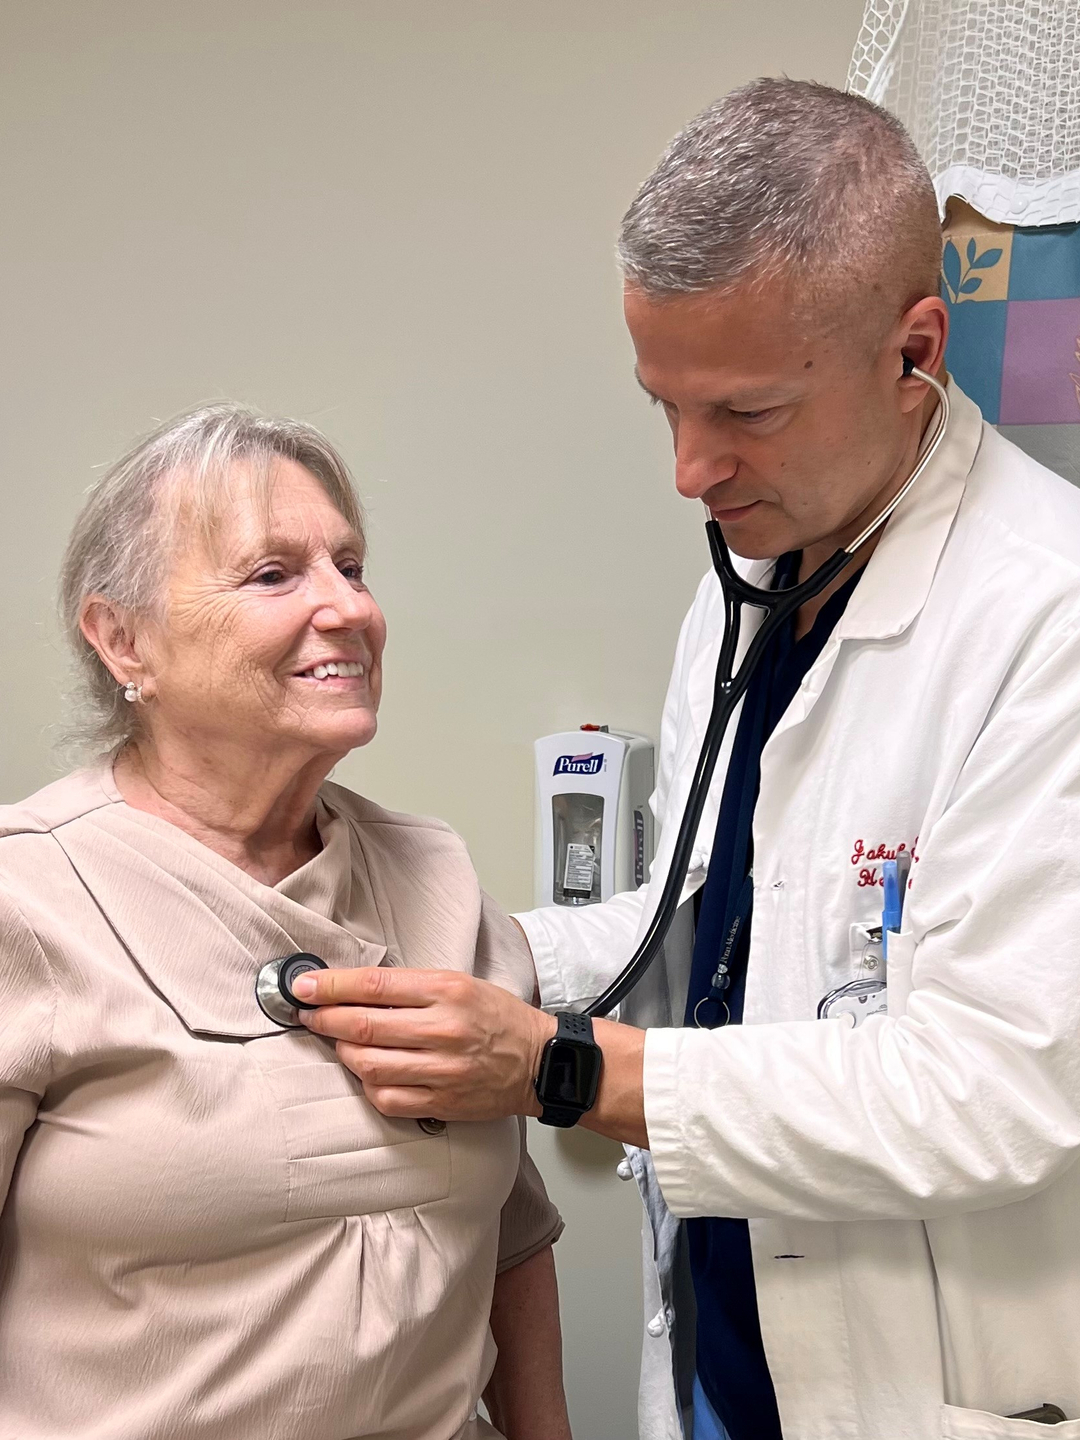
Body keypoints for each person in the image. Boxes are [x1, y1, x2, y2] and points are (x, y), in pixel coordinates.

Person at [294, 78, 1080, 1440]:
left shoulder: (1046, 618)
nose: (687, 469)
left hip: (921, 1393)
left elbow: (995, 1088)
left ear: (916, 352)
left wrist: (559, 1069)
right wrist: (469, 956)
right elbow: (715, 920)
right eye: (664, 403)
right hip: (731, 1356)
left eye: (746, 411)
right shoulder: (755, 574)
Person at [0, 405, 569, 1440]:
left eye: (350, 565)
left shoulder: (434, 878)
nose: (348, 607)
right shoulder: (27, 897)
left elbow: (512, 1236)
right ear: (122, 638)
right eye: (274, 574)